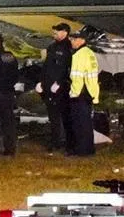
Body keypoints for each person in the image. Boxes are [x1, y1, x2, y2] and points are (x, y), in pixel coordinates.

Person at [37, 22, 74, 153]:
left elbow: (68, 69)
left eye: (56, 32)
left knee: (62, 115)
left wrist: (59, 82)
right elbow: (46, 66)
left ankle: (62, 141)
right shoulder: (52, 46)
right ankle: (56, 140)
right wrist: (41, 82)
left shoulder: (69, 48)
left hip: (61, 88)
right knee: (53, 115)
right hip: (49, 86)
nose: (54, 34)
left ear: (64, 32)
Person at [68, 26, 100, 156]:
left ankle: (81, 151)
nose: (72, 42)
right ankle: (89, 149)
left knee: (79, 124)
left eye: (74, 39)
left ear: (81, 40)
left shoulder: (79, 55)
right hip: (90, 92)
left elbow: (77, 77)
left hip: (80, 93)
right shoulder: (90, 53)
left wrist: (74, 93)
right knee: (86, 123)